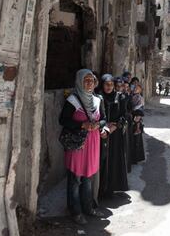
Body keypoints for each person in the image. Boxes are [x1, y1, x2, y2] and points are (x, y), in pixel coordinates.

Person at [59, 69, 108, 225]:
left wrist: (99, 126)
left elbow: (104, 119)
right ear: (80, 81)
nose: (89, 83)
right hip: (77, 144)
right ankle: (75, 211)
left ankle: (88, 208)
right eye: (86, 80)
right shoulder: (72, 100)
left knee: (88, 178)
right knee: (75, 179)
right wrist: (82, 125)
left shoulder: (98, 100)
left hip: (92, 143)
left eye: (92, 80)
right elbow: (63, 120)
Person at [97, 74, 129, 198]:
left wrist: (115, 127)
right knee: (101, 161)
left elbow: (124, 115)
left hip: (115, 135)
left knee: (113, 160)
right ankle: (99, 189)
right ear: (102, 84)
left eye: (111, 84)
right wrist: (103, 128)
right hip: (101, 134)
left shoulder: (119, 97)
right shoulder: (98, 97)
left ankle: (111, 189)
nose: (109, 87)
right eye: (106, 84)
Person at [131, 84, 145, 163]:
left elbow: (140, 105)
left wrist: (134, 109)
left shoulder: (140, 97)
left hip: (137, 114)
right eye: (135, 88)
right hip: (134, 115)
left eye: (137, 88)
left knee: (137, 138)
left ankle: (137, 129)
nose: (136, 89)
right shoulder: (133, 95)